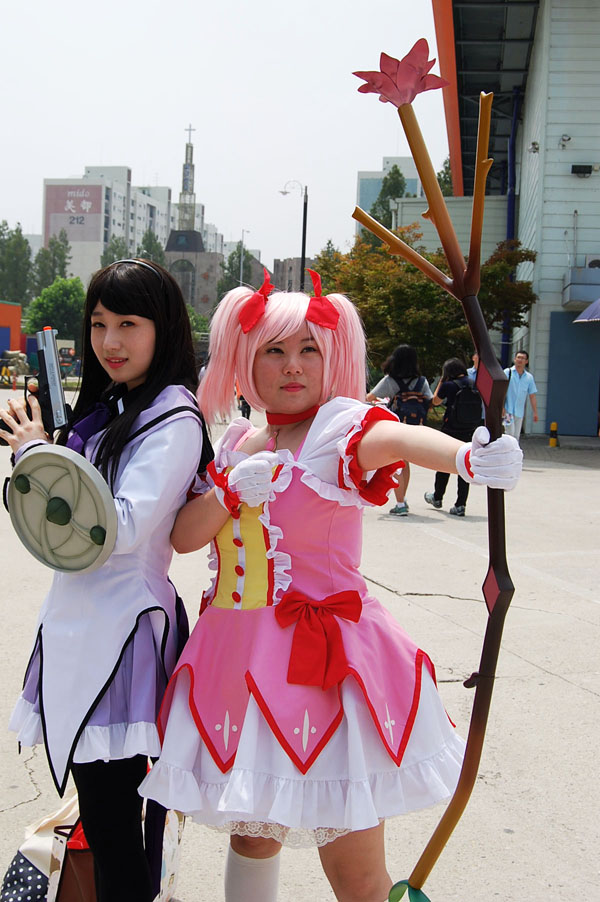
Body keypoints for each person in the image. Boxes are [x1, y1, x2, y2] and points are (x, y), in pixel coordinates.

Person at [139, 272, 522, 902]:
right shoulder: (237, 442)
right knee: (252, 839)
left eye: (309, 349)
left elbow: (396, 438)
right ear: (246, 359)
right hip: (235, 669)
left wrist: (464, 458)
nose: (293, 366)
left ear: (331, 357)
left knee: (355, 871)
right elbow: (184, 537)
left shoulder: (338, 428)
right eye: (274, 350)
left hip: (321, 671)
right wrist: (230, 491)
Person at [0, 259, 209, 902]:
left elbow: (119, 527)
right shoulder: (114, 405)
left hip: (122, 631)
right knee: (107, 818)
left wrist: (36, 454)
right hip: (81, 623)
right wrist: (34, 459)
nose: (109, 341)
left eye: (128, 324)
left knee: (114, 822)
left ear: (163, 328)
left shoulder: (174, 415)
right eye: (98, 324)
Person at [366, 344, 432, 516]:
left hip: (397, 426)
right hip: (416, 426)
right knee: (405, 462)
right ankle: (402, 498)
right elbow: (430, 401)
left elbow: (369, 397)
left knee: (397, 464)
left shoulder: (390, 381)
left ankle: (400, 503)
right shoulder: (422, 381)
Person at [424, 357, 484, 517]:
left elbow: (435, 401)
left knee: (443, 462)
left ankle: (437, 497)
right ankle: (460, 504)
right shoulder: (474, 384)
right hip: (470, 429)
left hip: (451, 429)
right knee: (465, 465)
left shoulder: (449, 385)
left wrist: (441, 382)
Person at [503, 349, 538, 440]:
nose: (520, 360)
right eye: (518, 357)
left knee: (516, 436)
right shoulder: (507, 372)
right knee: (509, 435)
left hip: (519, 412)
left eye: (522, 358)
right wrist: (501, 407)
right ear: (515, 359)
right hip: (508, 410)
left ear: (526, 361)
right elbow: (500, 391)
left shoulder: (529, 377)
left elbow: (532, 395)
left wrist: (535, 412)